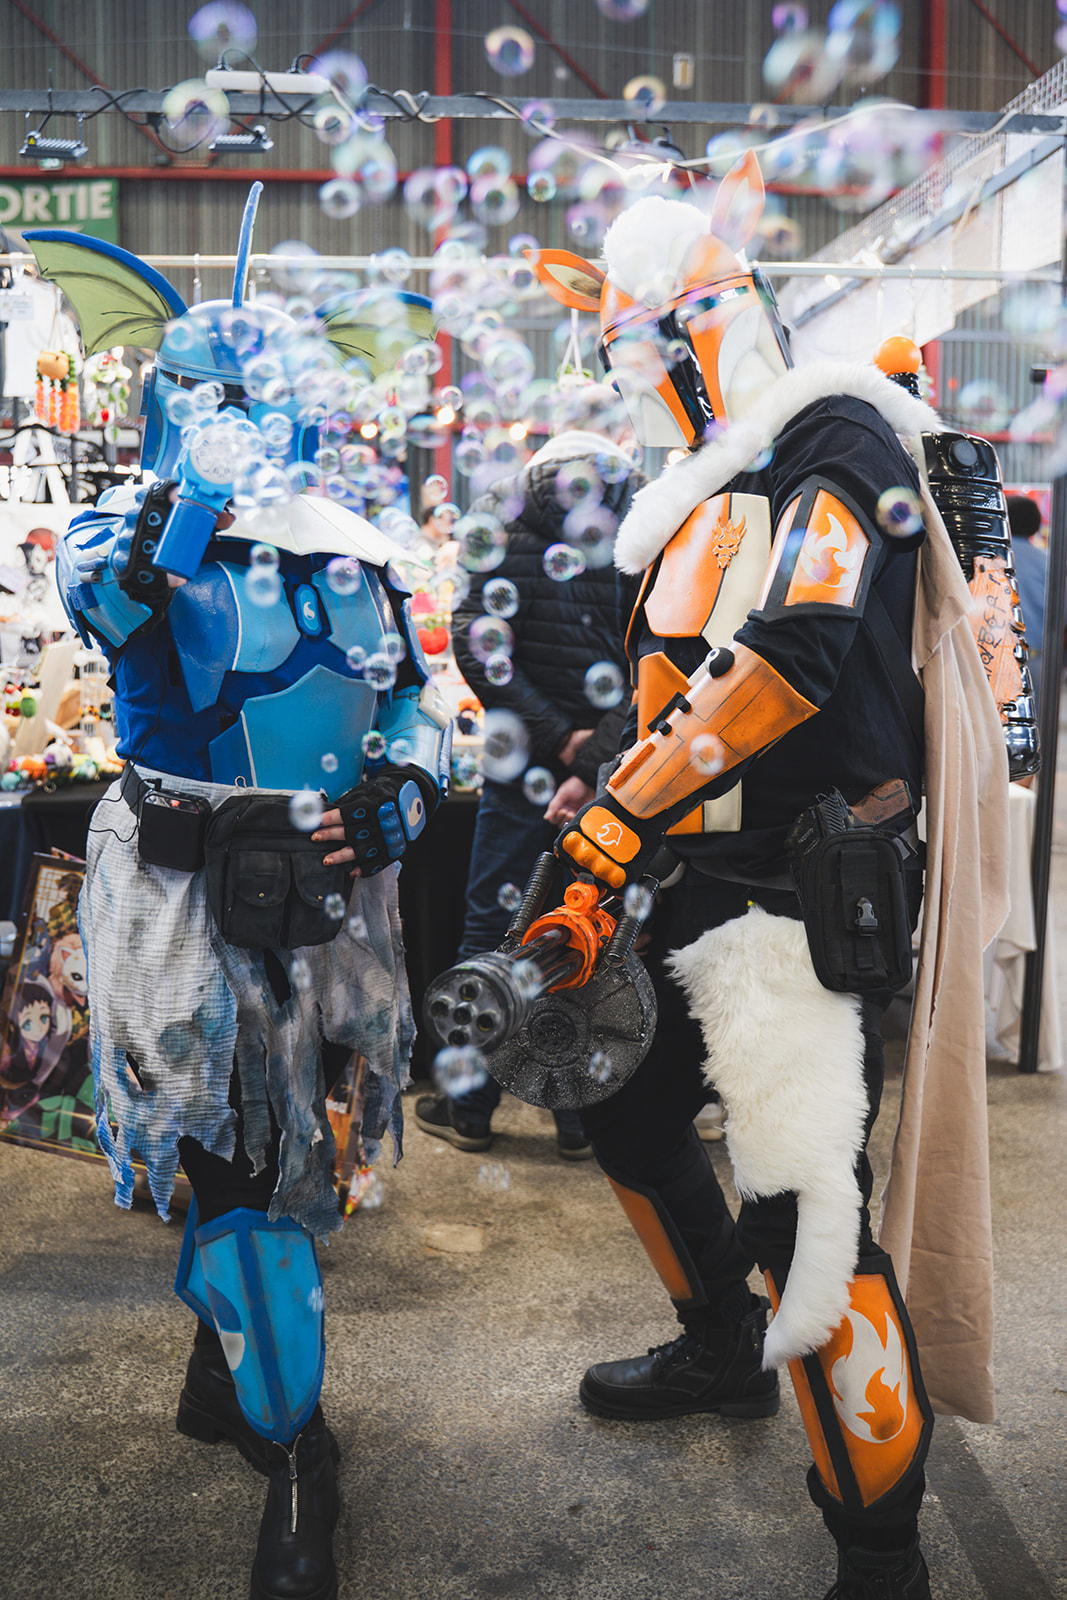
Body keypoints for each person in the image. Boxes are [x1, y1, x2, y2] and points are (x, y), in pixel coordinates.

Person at [532, 152, 1007, 1599]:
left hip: (799, 900)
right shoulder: (714, 478)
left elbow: (792, 654)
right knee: (621, 1105)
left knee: (805, 1213)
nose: (625, 378)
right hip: (691, 879)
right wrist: (610, 785)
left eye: (636, 342)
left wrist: (620, 811)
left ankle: (880, 1548)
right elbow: (681, 681)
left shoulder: (836, 433)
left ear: (705, 323)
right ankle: (718, 1347)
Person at [33, 196, 450, 1600]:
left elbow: (412, 703)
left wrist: (404, 786)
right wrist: (192, 494)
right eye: (225, 402)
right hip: (183, 897)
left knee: (282, 1150)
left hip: (327, 898)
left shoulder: (356, 552)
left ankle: (223, 1383)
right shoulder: (120, 534)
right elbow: (117, 606)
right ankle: (299, 1452)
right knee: (232, 1172)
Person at [414, 402, 643, 1160]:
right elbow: (654, 662)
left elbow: (478, 647)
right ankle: (576, 1117)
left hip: (518, 766)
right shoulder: (640, 527)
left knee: (494, 925)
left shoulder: (502, 517)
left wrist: (553, 739)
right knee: (589, 932)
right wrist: (588, 751)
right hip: (611, 775)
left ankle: (469, 1107)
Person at [1006, 494, 1047, 708]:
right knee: (1036, 715)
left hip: (993, 653)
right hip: (1035, 657)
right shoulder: (1045, 562)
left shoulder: (990, 555)